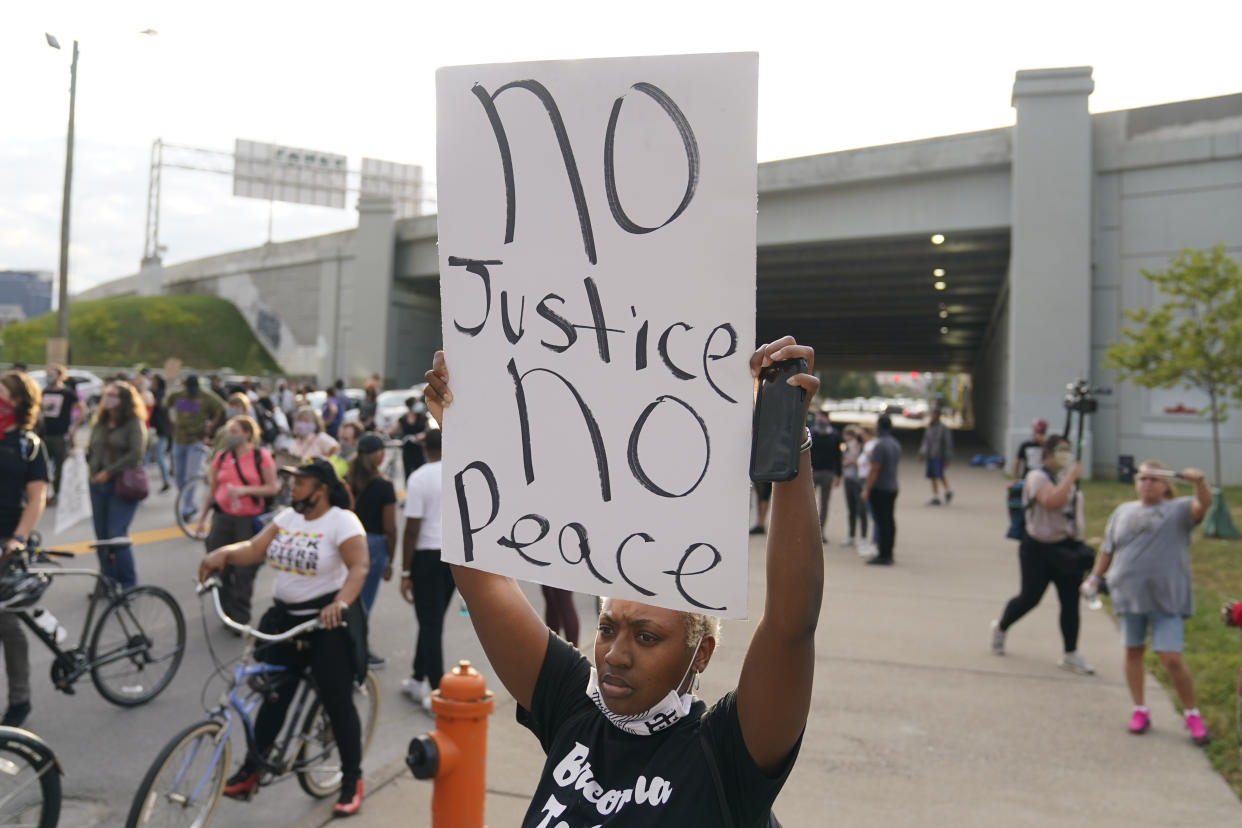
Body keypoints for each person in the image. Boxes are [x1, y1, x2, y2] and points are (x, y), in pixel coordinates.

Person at [420, 336, 821, 826]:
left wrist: (788, 440)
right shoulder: (574, 709)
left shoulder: (726, 756)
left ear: (701, 653)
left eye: (647, 636)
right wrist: (461, 430)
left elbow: (790, 624)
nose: (615, 654)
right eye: (608, 628)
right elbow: (483, 581)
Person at [200, 457, 368, 816]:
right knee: (273, 697)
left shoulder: (341, 521)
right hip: (285, 622)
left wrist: (340, 603)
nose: (292, 486)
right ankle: (252, 769)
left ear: (322, 489)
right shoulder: (287, 519)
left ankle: (352, 778)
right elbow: (254, 549)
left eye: (301, 481)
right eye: (292, 479)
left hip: (325, 622)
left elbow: (359, 567)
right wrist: (223, 555)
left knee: (337, 701)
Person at [1083, 461, 1212, 742]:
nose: (1147, 484)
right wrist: (1094, 578)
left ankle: (1192, 714)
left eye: (1154, 479)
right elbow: (1107, 550)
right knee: (1133, 653)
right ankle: (1140, 709)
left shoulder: (1178, 510)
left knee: (1171, 658)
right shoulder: (1122, 512)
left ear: (1166, 485)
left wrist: (1199, 482)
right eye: (1143, 478)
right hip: (1128, 596)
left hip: (1165, 599)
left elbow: (1202, 506)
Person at [990, 435, 1095, 675]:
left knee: (1070, 603)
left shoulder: (1062, 477)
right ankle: (1001, 627)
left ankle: (1070, 653)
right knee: (1030, 597)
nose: (1065, 454)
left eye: (1068, 450)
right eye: (1061, 449)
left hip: (1066, 547)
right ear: (1047, 452)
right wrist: (1070, 478)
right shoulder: (1037, 476)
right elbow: (1052, 502)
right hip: (1038, 548)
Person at [196, 415, 279, 626]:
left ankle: (240, 615)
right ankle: (227, 610)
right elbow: (212, 489)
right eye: (228, 432)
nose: (230, 436)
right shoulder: (222, 457)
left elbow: (272, 487)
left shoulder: (261, 456)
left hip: (248, 520)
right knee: (219, 565)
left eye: (234, 432)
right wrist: (201, 519)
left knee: (244, 570)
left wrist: (245, 490)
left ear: (247, 434)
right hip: (223, 518)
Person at [0, 371, 49, 726]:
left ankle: (21, 700)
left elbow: (37, 497)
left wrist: (18, 539)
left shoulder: (28, 444)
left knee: (7, 621)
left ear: (18, 401)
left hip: (7, 542)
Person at [399, 429, 453, 711]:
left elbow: (411, 529)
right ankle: (418, 677)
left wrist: (405, 572)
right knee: (433, 621)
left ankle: (437, 691)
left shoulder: (419, 477)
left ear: (424, 449)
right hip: (454, 556)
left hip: (427, 555)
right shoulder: (459, 470)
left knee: (430, 623)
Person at [85, 381, 148, 588]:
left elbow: (136, 454)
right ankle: (107, 580)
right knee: (102, 537)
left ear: (124, 401)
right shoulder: (101, 421)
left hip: (121, 485)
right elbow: (93, 447)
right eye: (107, 394)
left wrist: (109, 472)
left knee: (116, 535)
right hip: (97, 485)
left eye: (114, 395)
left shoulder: (133, 422)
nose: (109, 399)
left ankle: (129, 582)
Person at [346, 432, 397, 669]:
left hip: (346, 543)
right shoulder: (384, 486)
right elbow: (390, 527)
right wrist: (390, 561)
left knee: (345, 599)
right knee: (363, 605)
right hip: (373, 546)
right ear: (380, 457)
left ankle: (345, 647)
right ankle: (358, 654)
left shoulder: (346, 481)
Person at [165, 374, 225, 494]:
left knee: (192, 474)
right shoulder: (178, 395)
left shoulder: (207, 397)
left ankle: (188, 505)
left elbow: (221, 408)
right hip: (179, 439)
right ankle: (181, 498)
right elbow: (164, 405)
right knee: (178, 473)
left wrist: (211, 426)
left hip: (196, 439)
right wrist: (170, 422)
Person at [861, 414, 900, 566]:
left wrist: (866, 489)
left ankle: (883, 554)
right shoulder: (895, 444)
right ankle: (889, 552)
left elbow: (874, 469)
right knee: (889, 521)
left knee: (882, 522)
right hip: (892, 486)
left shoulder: (880, 445)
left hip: (880, 488)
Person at [38, 364, 80, 505]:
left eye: (52, 373)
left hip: (60, 435)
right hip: (44, 434)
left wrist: (74, 427)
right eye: (48, 373)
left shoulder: (67, 393)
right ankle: (42, 494)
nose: (49, 376)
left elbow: (82, 408)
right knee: (42, 466)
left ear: (60, 376)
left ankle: (56, 494)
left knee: (60, 467)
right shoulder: (43, 392)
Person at [809, 411, 842, 542]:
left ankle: (821, 531)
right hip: (813, 471)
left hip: (828, 472)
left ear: (827, 419)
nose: (819, 420)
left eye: (822, 417)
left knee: (824, 503)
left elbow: (838, 455)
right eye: (818, 417)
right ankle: (809, 531)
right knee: (810, 503)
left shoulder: (834, 435)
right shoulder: (811, 432)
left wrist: (838, 474)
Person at [840, 425, 869, 549]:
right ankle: (851, 536)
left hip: (859, 481)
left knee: (861, 510)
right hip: (848, 479)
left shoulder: (862, 448)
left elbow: (865, 463)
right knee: (851, 508)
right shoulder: (845, 447)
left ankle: (863, 537)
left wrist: (852, 462)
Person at [917, 408, 954, 505]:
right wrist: (922, 453)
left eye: (933, 414)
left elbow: (948, 444)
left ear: (937, 416)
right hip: (930, 455)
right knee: (933, 476)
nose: (932, 416)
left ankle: (948, 491)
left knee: (939, 474)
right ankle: (936, 496)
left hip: (939, 456)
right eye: (931, 414)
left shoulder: (943, 429)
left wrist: (947, 458)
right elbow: (925, 442)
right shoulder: (930, 427)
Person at [388, 396, 427, 478]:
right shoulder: (403, 419)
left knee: (420, 472)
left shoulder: (423, 418)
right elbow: (392, 431)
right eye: (416, 403)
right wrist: (382, 431)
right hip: (407, 449)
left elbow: (428, 430)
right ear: (410, 406)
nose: (419, 405)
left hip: (419, 448)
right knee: (408, 472)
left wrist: (423, 435)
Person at [145, 372, 171, 493]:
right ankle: (142, 483)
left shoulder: (162, 394)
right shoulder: (150, 392)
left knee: (159, 456)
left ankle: (166, 481)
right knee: (145, 458)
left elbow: (155, 404)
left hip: (160, 430)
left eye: (154, 380)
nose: (152, 382)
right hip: (149, 429)